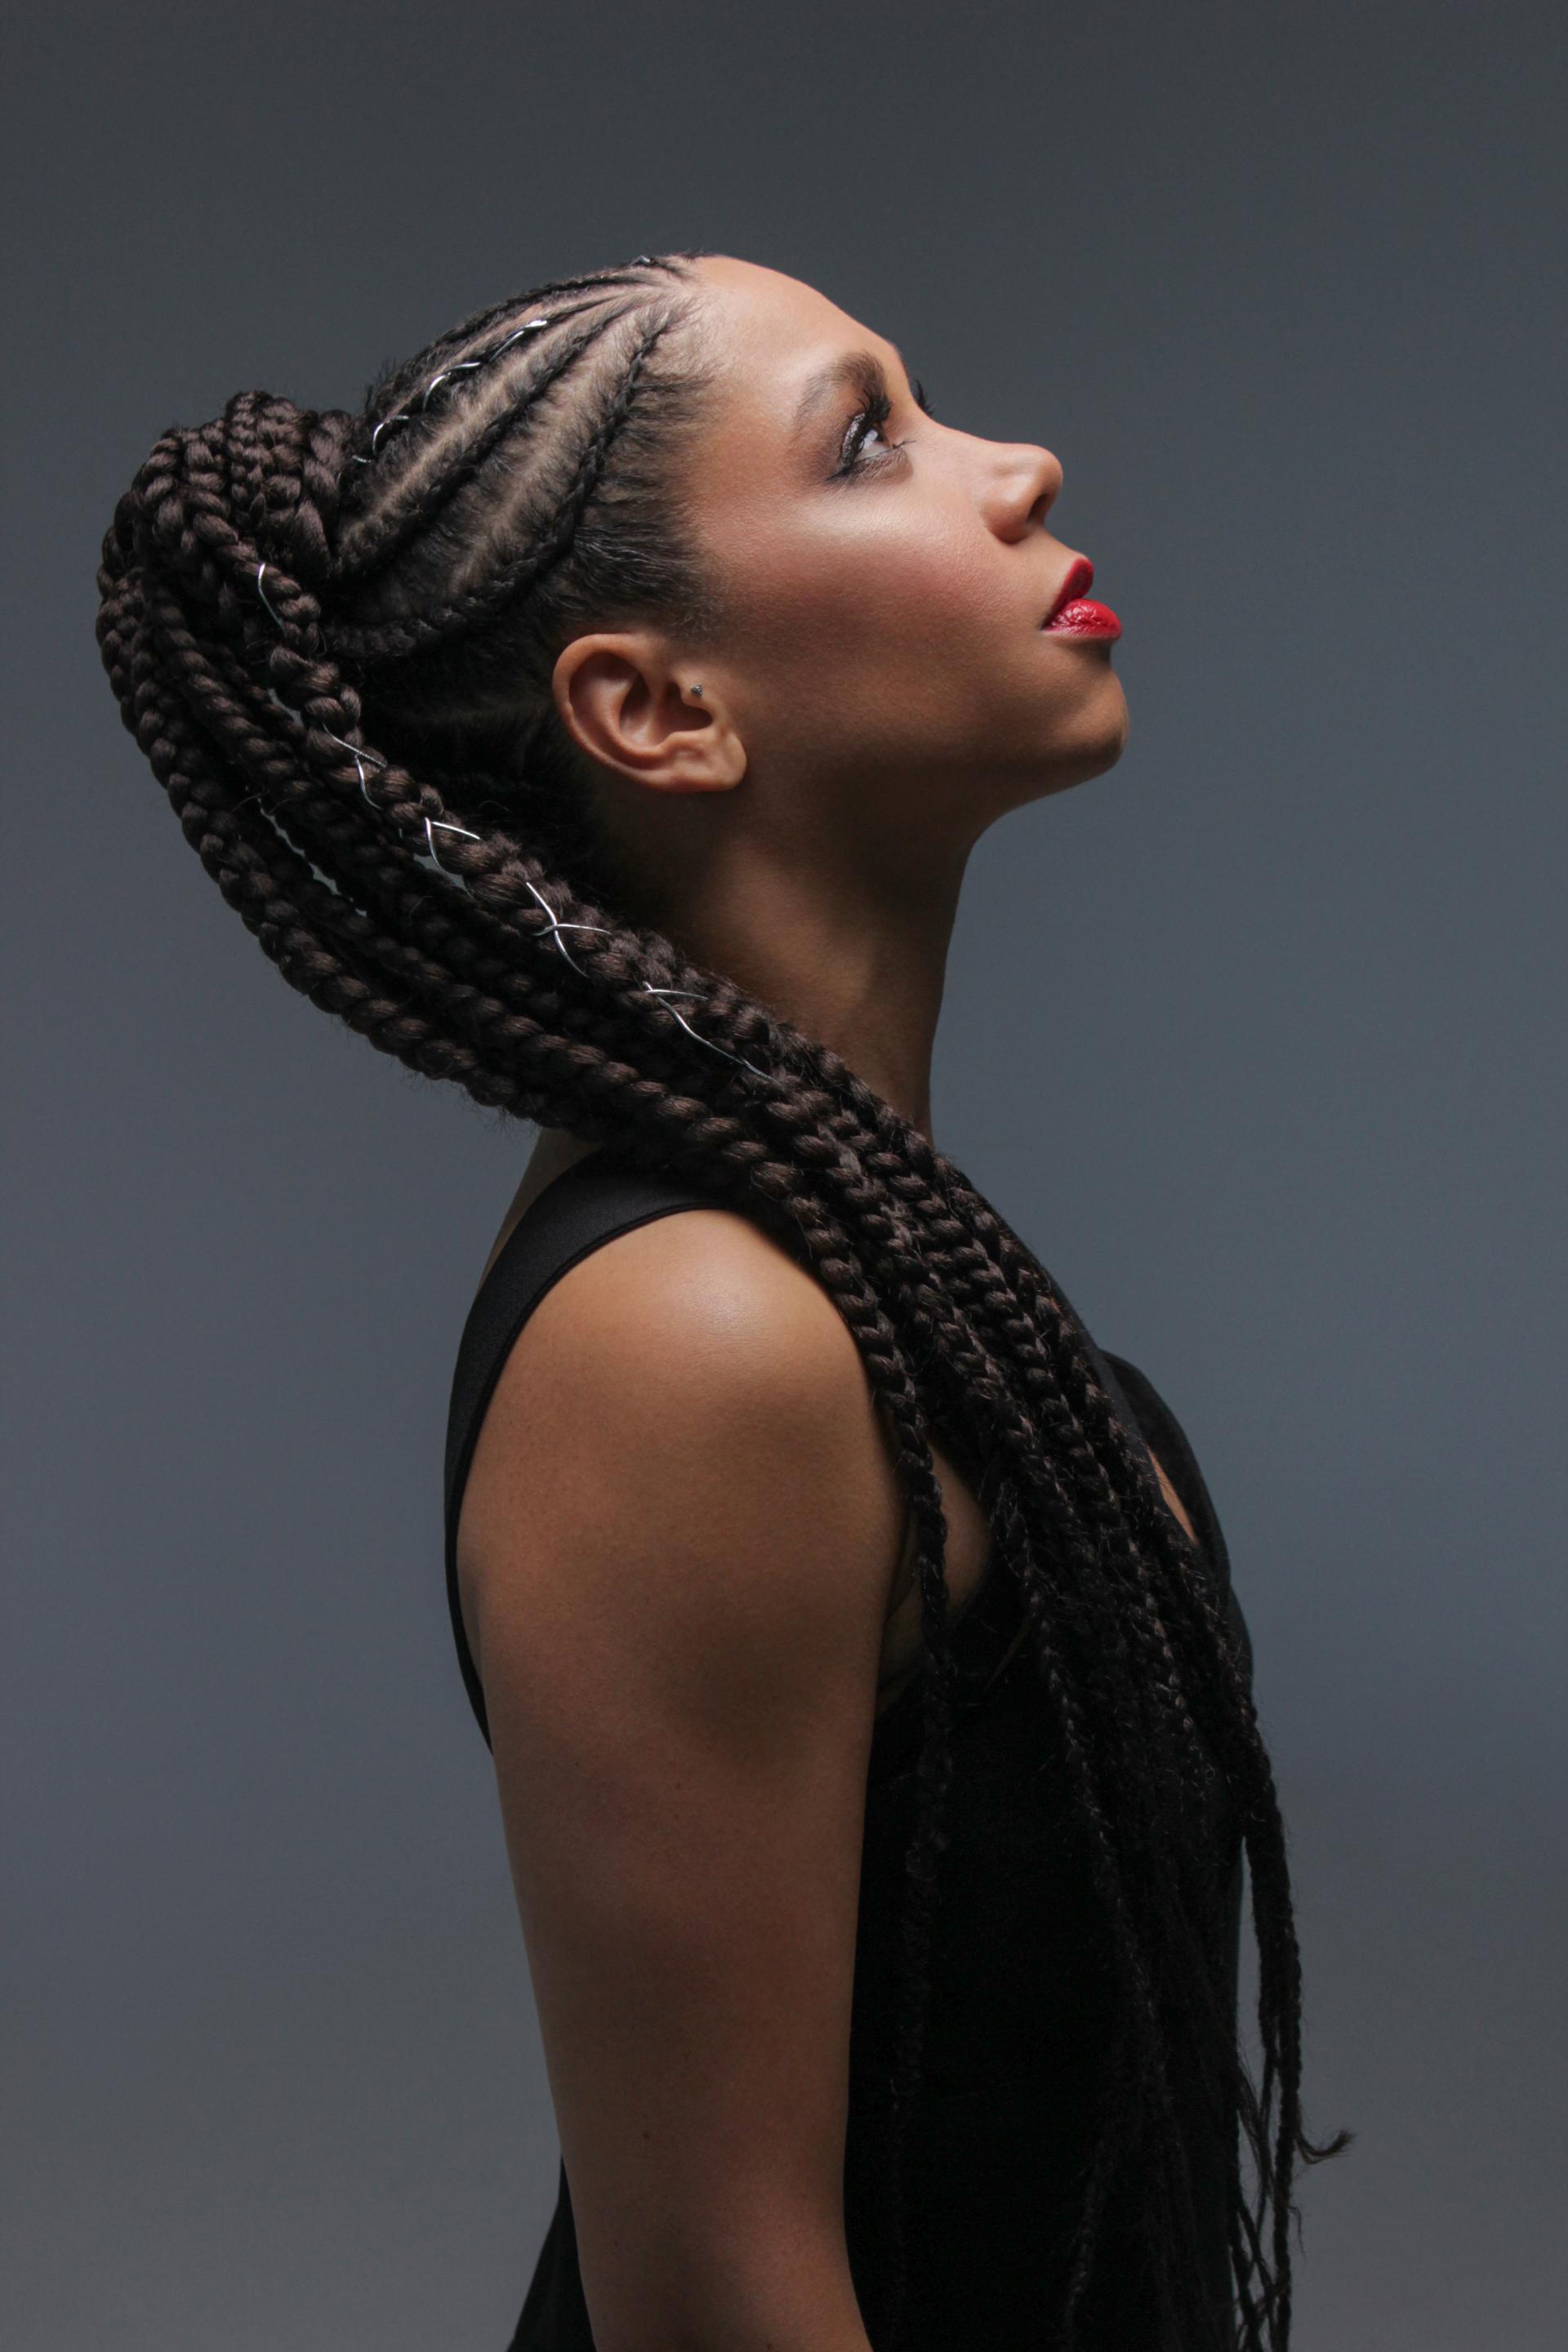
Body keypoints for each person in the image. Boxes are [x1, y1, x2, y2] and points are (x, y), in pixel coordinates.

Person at [95, 249, 1348, 2351]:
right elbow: (718, 2303)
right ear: (657, 710)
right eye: (867, 443)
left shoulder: (851, 1260)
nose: (1021, 468)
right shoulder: (695, 1345)